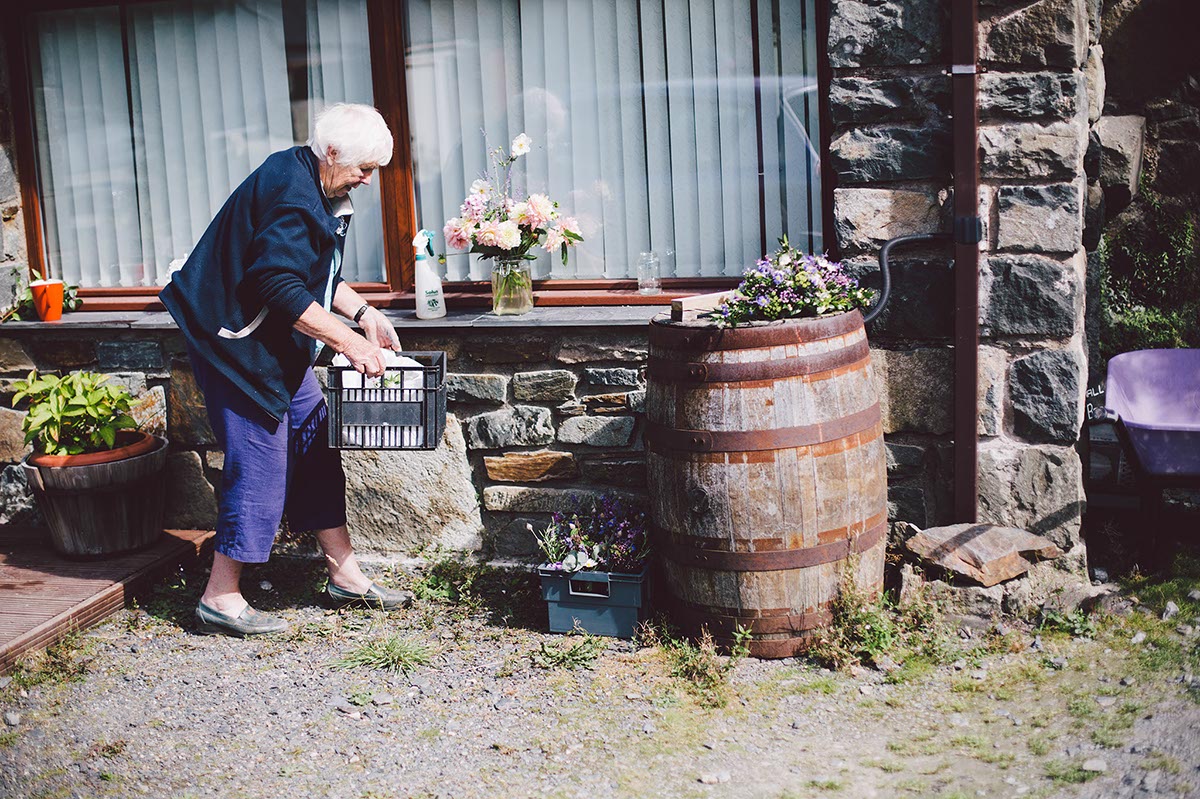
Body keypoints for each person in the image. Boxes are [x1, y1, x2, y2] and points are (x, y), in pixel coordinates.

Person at [160, 103, 411, 637]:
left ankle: (346, 576)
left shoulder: (320, 185)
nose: (369, 179)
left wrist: (365, 314)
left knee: (315, 446)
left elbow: (312, 275)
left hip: (274, 343)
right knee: (260, 460)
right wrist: (348, 344)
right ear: (334, 152)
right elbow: (276, 285)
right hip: (236, 344)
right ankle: (219, 596)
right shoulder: (294, 193)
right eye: (365, 167)